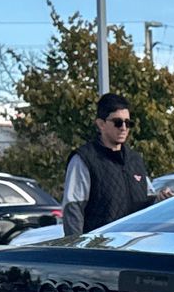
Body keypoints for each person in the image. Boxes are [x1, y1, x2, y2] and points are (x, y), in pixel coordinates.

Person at [61, 91, 151, 237]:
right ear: (101, 124)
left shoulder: (135, 160)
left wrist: (160, 200)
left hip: (135, 249)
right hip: (100, 251)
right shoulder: (84, 159)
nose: (123, 128)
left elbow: (147, 203)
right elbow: (73, 209)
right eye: (117, 122)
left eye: (128, 123)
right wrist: (77, 251)